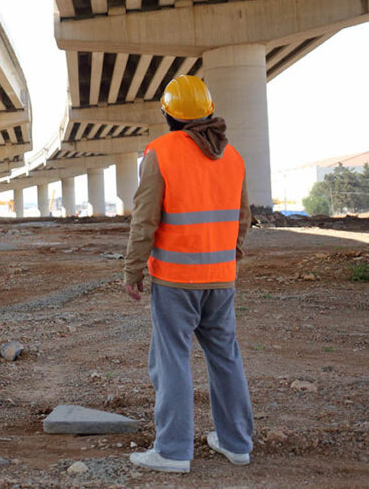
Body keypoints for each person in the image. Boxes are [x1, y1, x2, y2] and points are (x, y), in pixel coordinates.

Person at [123, 75, 254, 473]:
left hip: (176, 280)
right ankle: (236, 444)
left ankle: (173, 451)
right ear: (208, 112)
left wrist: (133, 268)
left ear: (168, 115)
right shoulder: (232, 156)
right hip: (220, 278)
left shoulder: (159, 152)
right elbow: (242, 218)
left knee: (172, 361)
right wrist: (228, 258)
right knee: (225, 357)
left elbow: (145, 218)